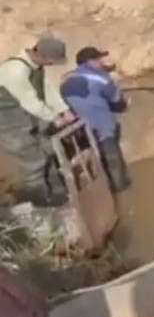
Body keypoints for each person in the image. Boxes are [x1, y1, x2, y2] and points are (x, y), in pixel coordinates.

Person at [0, 36, 75, 205]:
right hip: (10, 125)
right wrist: (54, 118)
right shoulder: (15, 70)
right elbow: (30, 101)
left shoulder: (37, 67)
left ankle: (61, 197)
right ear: (42, 55)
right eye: (52, 61)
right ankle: (42, 205)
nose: (52, 65)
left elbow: (48, 90)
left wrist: (64, 110)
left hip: (30, 119)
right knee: (34, 165)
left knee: (49, 153)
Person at [60, 47, 130, 192]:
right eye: (98, 59)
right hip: (103, 126)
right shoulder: (101, 78)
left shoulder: (66, 81)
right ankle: (121, 189)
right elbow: (116, 102)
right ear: (90, 62)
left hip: (79, 131)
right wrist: (124, 104)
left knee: (95, 164)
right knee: (113, 162)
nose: (101, 62)